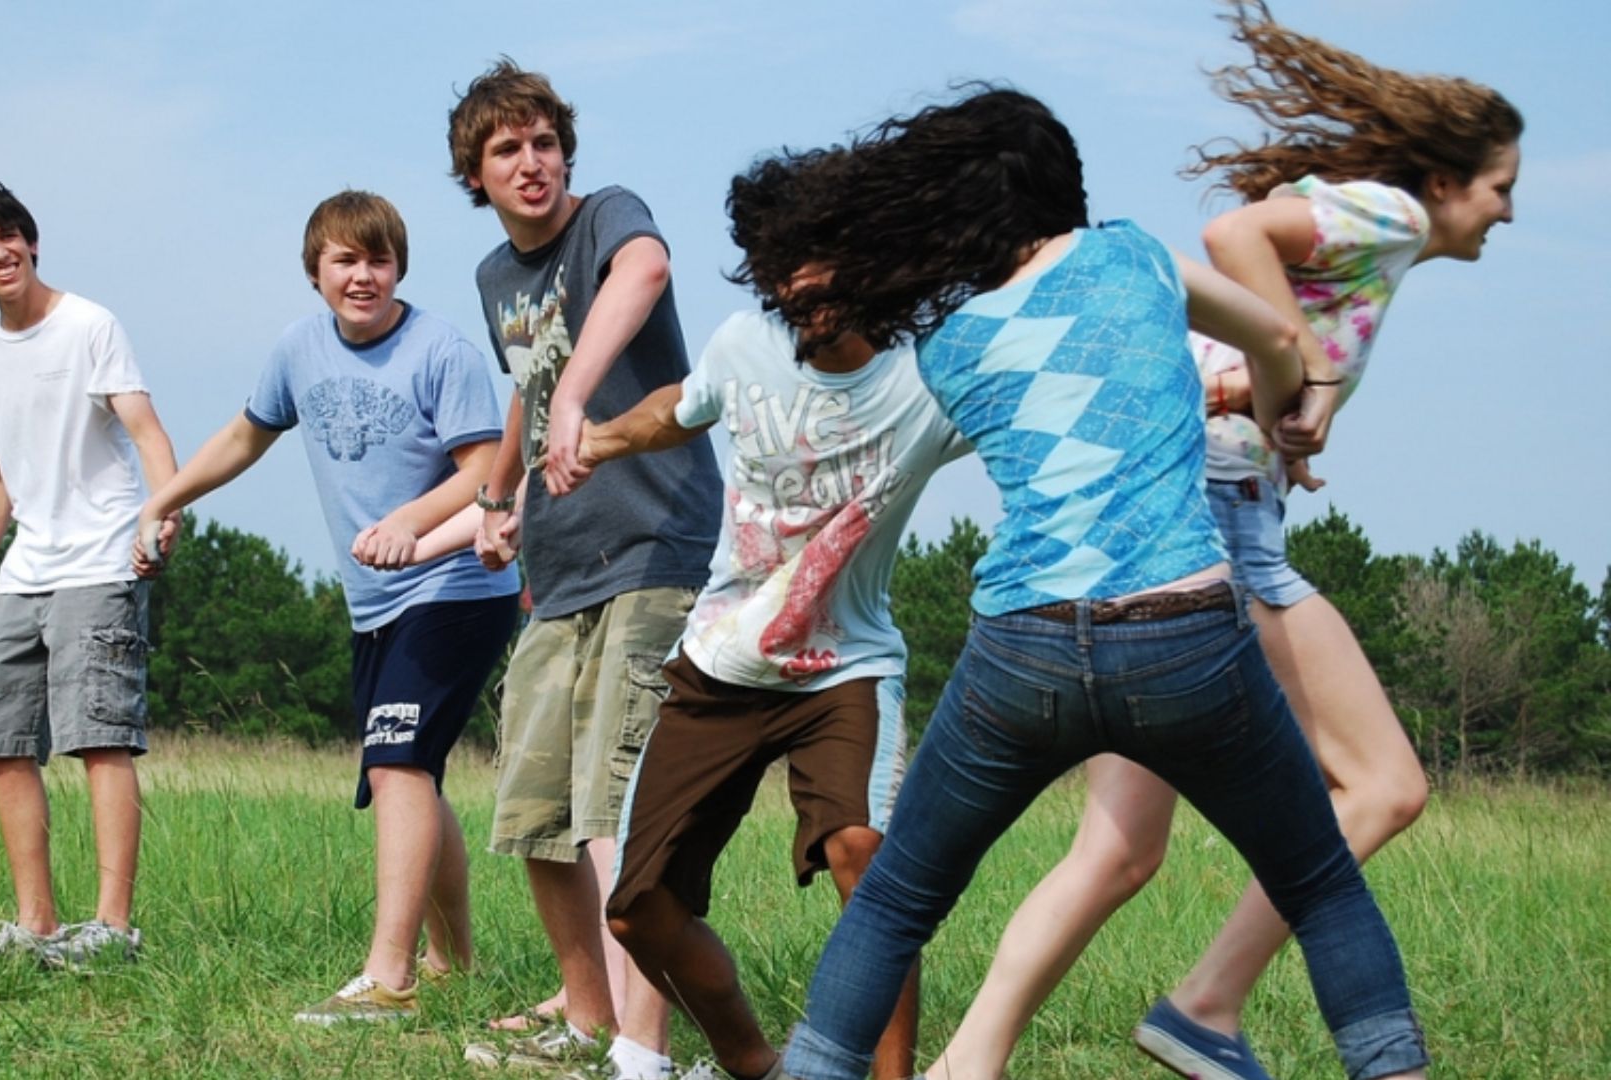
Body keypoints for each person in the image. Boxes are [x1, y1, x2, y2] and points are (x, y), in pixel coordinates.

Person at [770, 85, 1432, 1080]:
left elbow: (1053, 392)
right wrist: (1304, 407)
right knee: (1321, 887)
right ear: (1061, 190)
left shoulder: (950, 348)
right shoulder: (1130, 255)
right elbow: (1278, 338)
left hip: (1020, 654)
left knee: (901, 899)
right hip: (1187, 640)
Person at [935, 5, 1522, 1077]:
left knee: (1118, 850)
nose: (1508, 213)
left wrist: (1285, 392)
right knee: (1385, 785)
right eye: (1500, 188)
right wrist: (1303, 369)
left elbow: (1255, 259)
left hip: (1177, 501)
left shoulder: (1365, 223)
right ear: (1444, 182)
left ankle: (965, 1065)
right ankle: (1206, 1007)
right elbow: (1231, 236)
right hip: (1221, 518)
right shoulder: (1388, 214)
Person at [573, 149, 953, 1080]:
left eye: (819, 258)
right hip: (720, 664)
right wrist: (604, 437)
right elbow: (684, 407)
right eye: (780, 265)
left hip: (845, 669)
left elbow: (1034, 405)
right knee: (636, 907)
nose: (800, 284)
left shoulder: (929, 380)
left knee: (864, 854)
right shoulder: (744, 343)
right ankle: (755, 1066)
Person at [131, 190, 519, 1022]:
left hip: (456, 587)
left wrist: (411, 525)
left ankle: (390, 978)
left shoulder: (440, 350)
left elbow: (488, 474)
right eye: (346, 260)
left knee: (396, 764)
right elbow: (244, 435)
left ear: (399, 267)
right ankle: (454, 959)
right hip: (375, 601)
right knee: (412, 770)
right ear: (316, 272)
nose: (363, 276)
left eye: (378, 260)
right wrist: (165, 499)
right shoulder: (298, 350)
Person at [447, 59, 722, 1080]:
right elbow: (530, 377)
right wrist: (499, 496)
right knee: (538, 811)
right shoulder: (492, 277)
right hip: (561, 566)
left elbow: (643, 274)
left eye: (544, 142)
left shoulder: (610, 217)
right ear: (475, 174)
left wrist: (579, 401)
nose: (532, 163)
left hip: (656, 547)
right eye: (507, 149)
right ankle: (587, 1011)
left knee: (622, 805)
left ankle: (644, 1054)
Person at [0, 177, 180, 969]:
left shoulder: (89, 325)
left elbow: (145, 429)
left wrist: (163, 511)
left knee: (100, 740)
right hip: (24, 574)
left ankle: (111, 931)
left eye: (10, 234)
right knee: (5, 745)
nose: (0, 250)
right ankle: (35, 923)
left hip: (101, 560)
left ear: (32, 243)